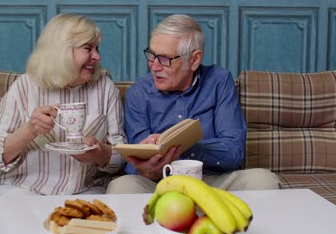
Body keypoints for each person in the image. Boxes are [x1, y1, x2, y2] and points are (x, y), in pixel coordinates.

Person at [107, 14, 280, 194]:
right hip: (161, 183)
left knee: (262, 179)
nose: (154, 66)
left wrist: (187, 146)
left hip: (212, 182)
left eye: (165, 59)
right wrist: (145, 167)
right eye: (151, 55)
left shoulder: (219, 81)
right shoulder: (139, 93)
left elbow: (233, 151)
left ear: (195, 59)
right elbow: (135, 164)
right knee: (123, 186)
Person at [0, 13, 126, 196]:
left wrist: (99, 154)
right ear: (62, 51)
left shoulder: (105, 87)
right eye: (88, 48)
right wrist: (30, 130)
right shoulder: (24, 86)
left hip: (84, 191)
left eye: (97, 48)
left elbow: (121, 157)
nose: (97, 56)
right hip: (23, 189)